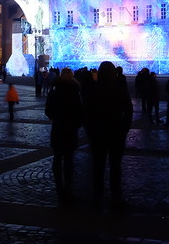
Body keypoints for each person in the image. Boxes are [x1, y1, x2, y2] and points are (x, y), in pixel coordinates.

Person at [83, 61, 133, 211]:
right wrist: (125, 128)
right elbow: (128, 109)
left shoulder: (92, 88)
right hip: (116, 132)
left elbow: (86, 112)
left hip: (98, 133)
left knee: (98, 166)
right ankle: (115, 196)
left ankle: (97, 196)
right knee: (115, 166)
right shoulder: (119, 88)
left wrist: (89, 130)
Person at [45, 68, 84, 204]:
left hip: (58, 126)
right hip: (71, 128)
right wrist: (78, 123)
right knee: (69, 158)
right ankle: (68, 186)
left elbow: (48, 109)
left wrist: (55, 117)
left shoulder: (55, 90)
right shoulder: (75, 90)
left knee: (57, 156)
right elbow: (80, 109)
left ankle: (58, 185)